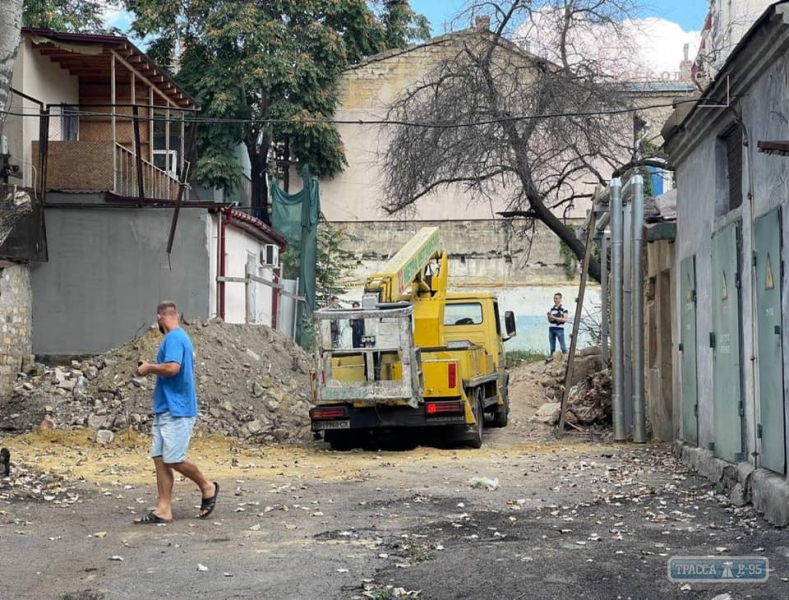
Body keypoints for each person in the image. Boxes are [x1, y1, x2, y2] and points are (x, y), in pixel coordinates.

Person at [134, 301, 218, 524]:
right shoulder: (176, 338)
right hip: (166, 408)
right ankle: (164, 509)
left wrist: (149, 367)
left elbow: (173, 368)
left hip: (177, 409)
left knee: (172, 459)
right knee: (160, 459)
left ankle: (207, 486)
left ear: (159, 318)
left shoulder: (174, 338)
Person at [546, 292, 569, 362]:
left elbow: (565, 319)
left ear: (560, 299)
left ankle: (566, 358)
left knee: (562, 345)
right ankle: (552, 358)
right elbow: (550, 320)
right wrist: (549, 316)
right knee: (552, 345)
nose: (555, 300)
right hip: (552, 328)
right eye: (554, 298)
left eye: (556, 298)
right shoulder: (552, 309)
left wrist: (553, 317)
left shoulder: (564, 309)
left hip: (559, 328)